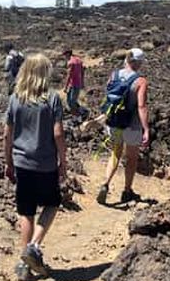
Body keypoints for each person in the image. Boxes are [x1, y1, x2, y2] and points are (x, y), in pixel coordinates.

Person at [3, 54, 67, 281]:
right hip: (46, 163)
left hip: (22, 163)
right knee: (52, 203)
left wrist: (8, 162)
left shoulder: (15, 98)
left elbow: (7, 135)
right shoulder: (52, 98)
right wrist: (63, 162)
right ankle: (33, 246)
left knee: (26, 211)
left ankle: (24, 266)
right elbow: (58, 133)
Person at [96, 48, 150, 205]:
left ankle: (105, 183)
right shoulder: (141, 81)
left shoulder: (114, 75)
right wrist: (146, 129)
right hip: (132, 125)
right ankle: (127, 191)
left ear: (127, 59)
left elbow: (108, 96)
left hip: (114, 122)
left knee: (115, 153)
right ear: (139, 62)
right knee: (132, 158)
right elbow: (141, 106)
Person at [62, 49, 85, 115]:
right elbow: (82, 72)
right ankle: (78, 111)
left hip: (73, 84)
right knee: (72, 100)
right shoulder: (79, 60)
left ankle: (78, 114)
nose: (65, 57)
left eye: (65, 55)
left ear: (68, 54)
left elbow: (69, 75)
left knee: (71, 101)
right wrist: (82, 82)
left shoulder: (70, 62)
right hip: (78, 83)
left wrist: (65, 87)